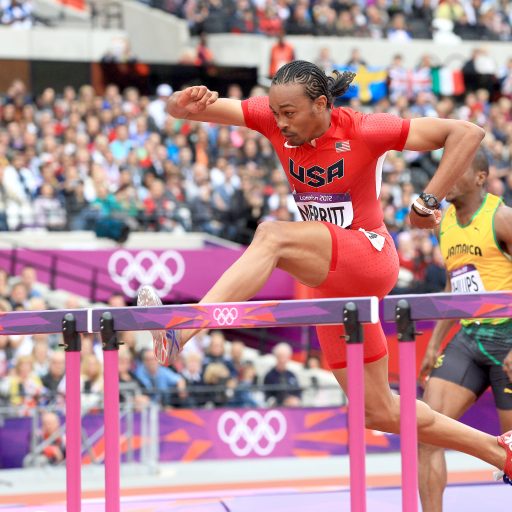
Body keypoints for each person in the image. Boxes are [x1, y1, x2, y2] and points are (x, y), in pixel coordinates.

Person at [162, 60, 511, 482]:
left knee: (271, 235)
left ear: (321, 105)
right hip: (331, 282)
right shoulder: (272, 119)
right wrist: (180, 103)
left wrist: (429, 200)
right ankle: (499, 452)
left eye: (289, 113)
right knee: (377, 410)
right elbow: (188, 111)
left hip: (369, 256)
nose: (280, 123)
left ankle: (184, 327)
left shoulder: (364, 128)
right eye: (275, 113)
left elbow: (467, 133)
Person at [418, 150, 512, 510]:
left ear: (480, 178)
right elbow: (453, 286)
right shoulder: (444, 225)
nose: (446, 178)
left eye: (456, 169)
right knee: (426, 431)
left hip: (508, 335)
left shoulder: (501, 218)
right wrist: (434, 344)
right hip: (469, 337)